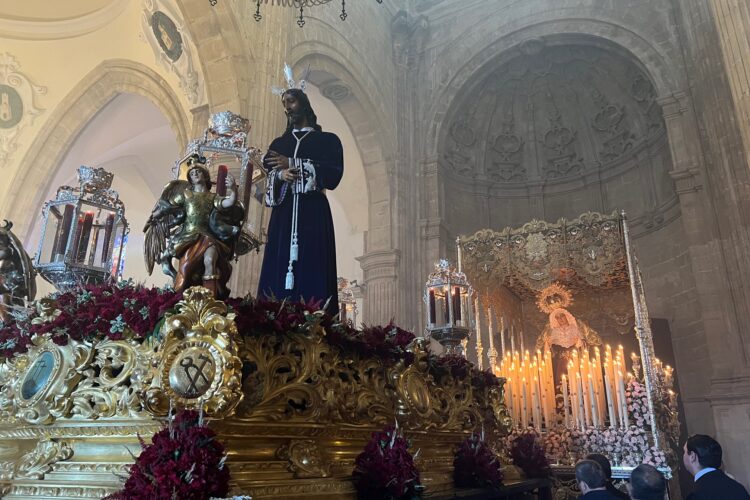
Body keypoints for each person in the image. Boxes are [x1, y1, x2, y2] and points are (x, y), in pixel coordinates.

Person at [258, 78, 343, 316]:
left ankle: (315, 319)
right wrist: (280, 175)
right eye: (284, 102)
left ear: (304, 104)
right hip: (283, 215)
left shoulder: (328, 141)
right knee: (277, 263)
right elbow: (266, 183)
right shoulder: (278, 143)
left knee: (313, 264)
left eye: (292, 101)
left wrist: (293, 163)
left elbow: (334, 174)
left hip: (312, 213)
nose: (287, 107)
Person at [145, 154, 243, 299]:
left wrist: (233, 190)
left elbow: (229, 203)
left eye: (198, 171)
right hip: (189, 237)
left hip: (208, 238)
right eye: (192, 173)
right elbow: (169, 207)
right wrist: (155, 214)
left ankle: (211, 300)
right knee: (186, 270)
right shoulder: (186, 195)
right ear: (190, 178)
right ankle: (183, 296)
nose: (195, 174)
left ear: (205, 175)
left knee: (210, 261)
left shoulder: (213, 197)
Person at [683, 434, 750, 500]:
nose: (683, 456)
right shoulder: (738, 488)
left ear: (692, 456)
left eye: (684, 452)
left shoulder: (697, 496)